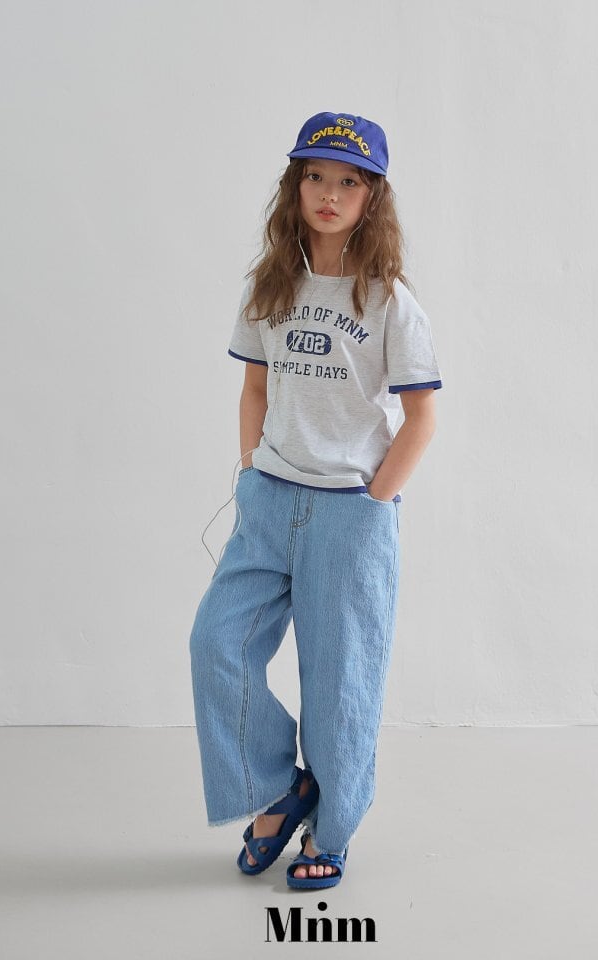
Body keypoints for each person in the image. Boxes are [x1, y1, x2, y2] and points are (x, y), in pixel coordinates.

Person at [189, 111, 443, 889]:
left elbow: (422, 416)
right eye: (315, 177)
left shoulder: (390, 302)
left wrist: (374, 500)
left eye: (349, 182)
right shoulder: (270, 286)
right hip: (269, 499)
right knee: (216, 643)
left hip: (348, 513)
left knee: (339, 682)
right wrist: (249, 473)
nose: (329, 194)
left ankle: (330, 832)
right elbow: (254, 388)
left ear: (373, 198)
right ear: (294, 186)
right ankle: (279, 787)